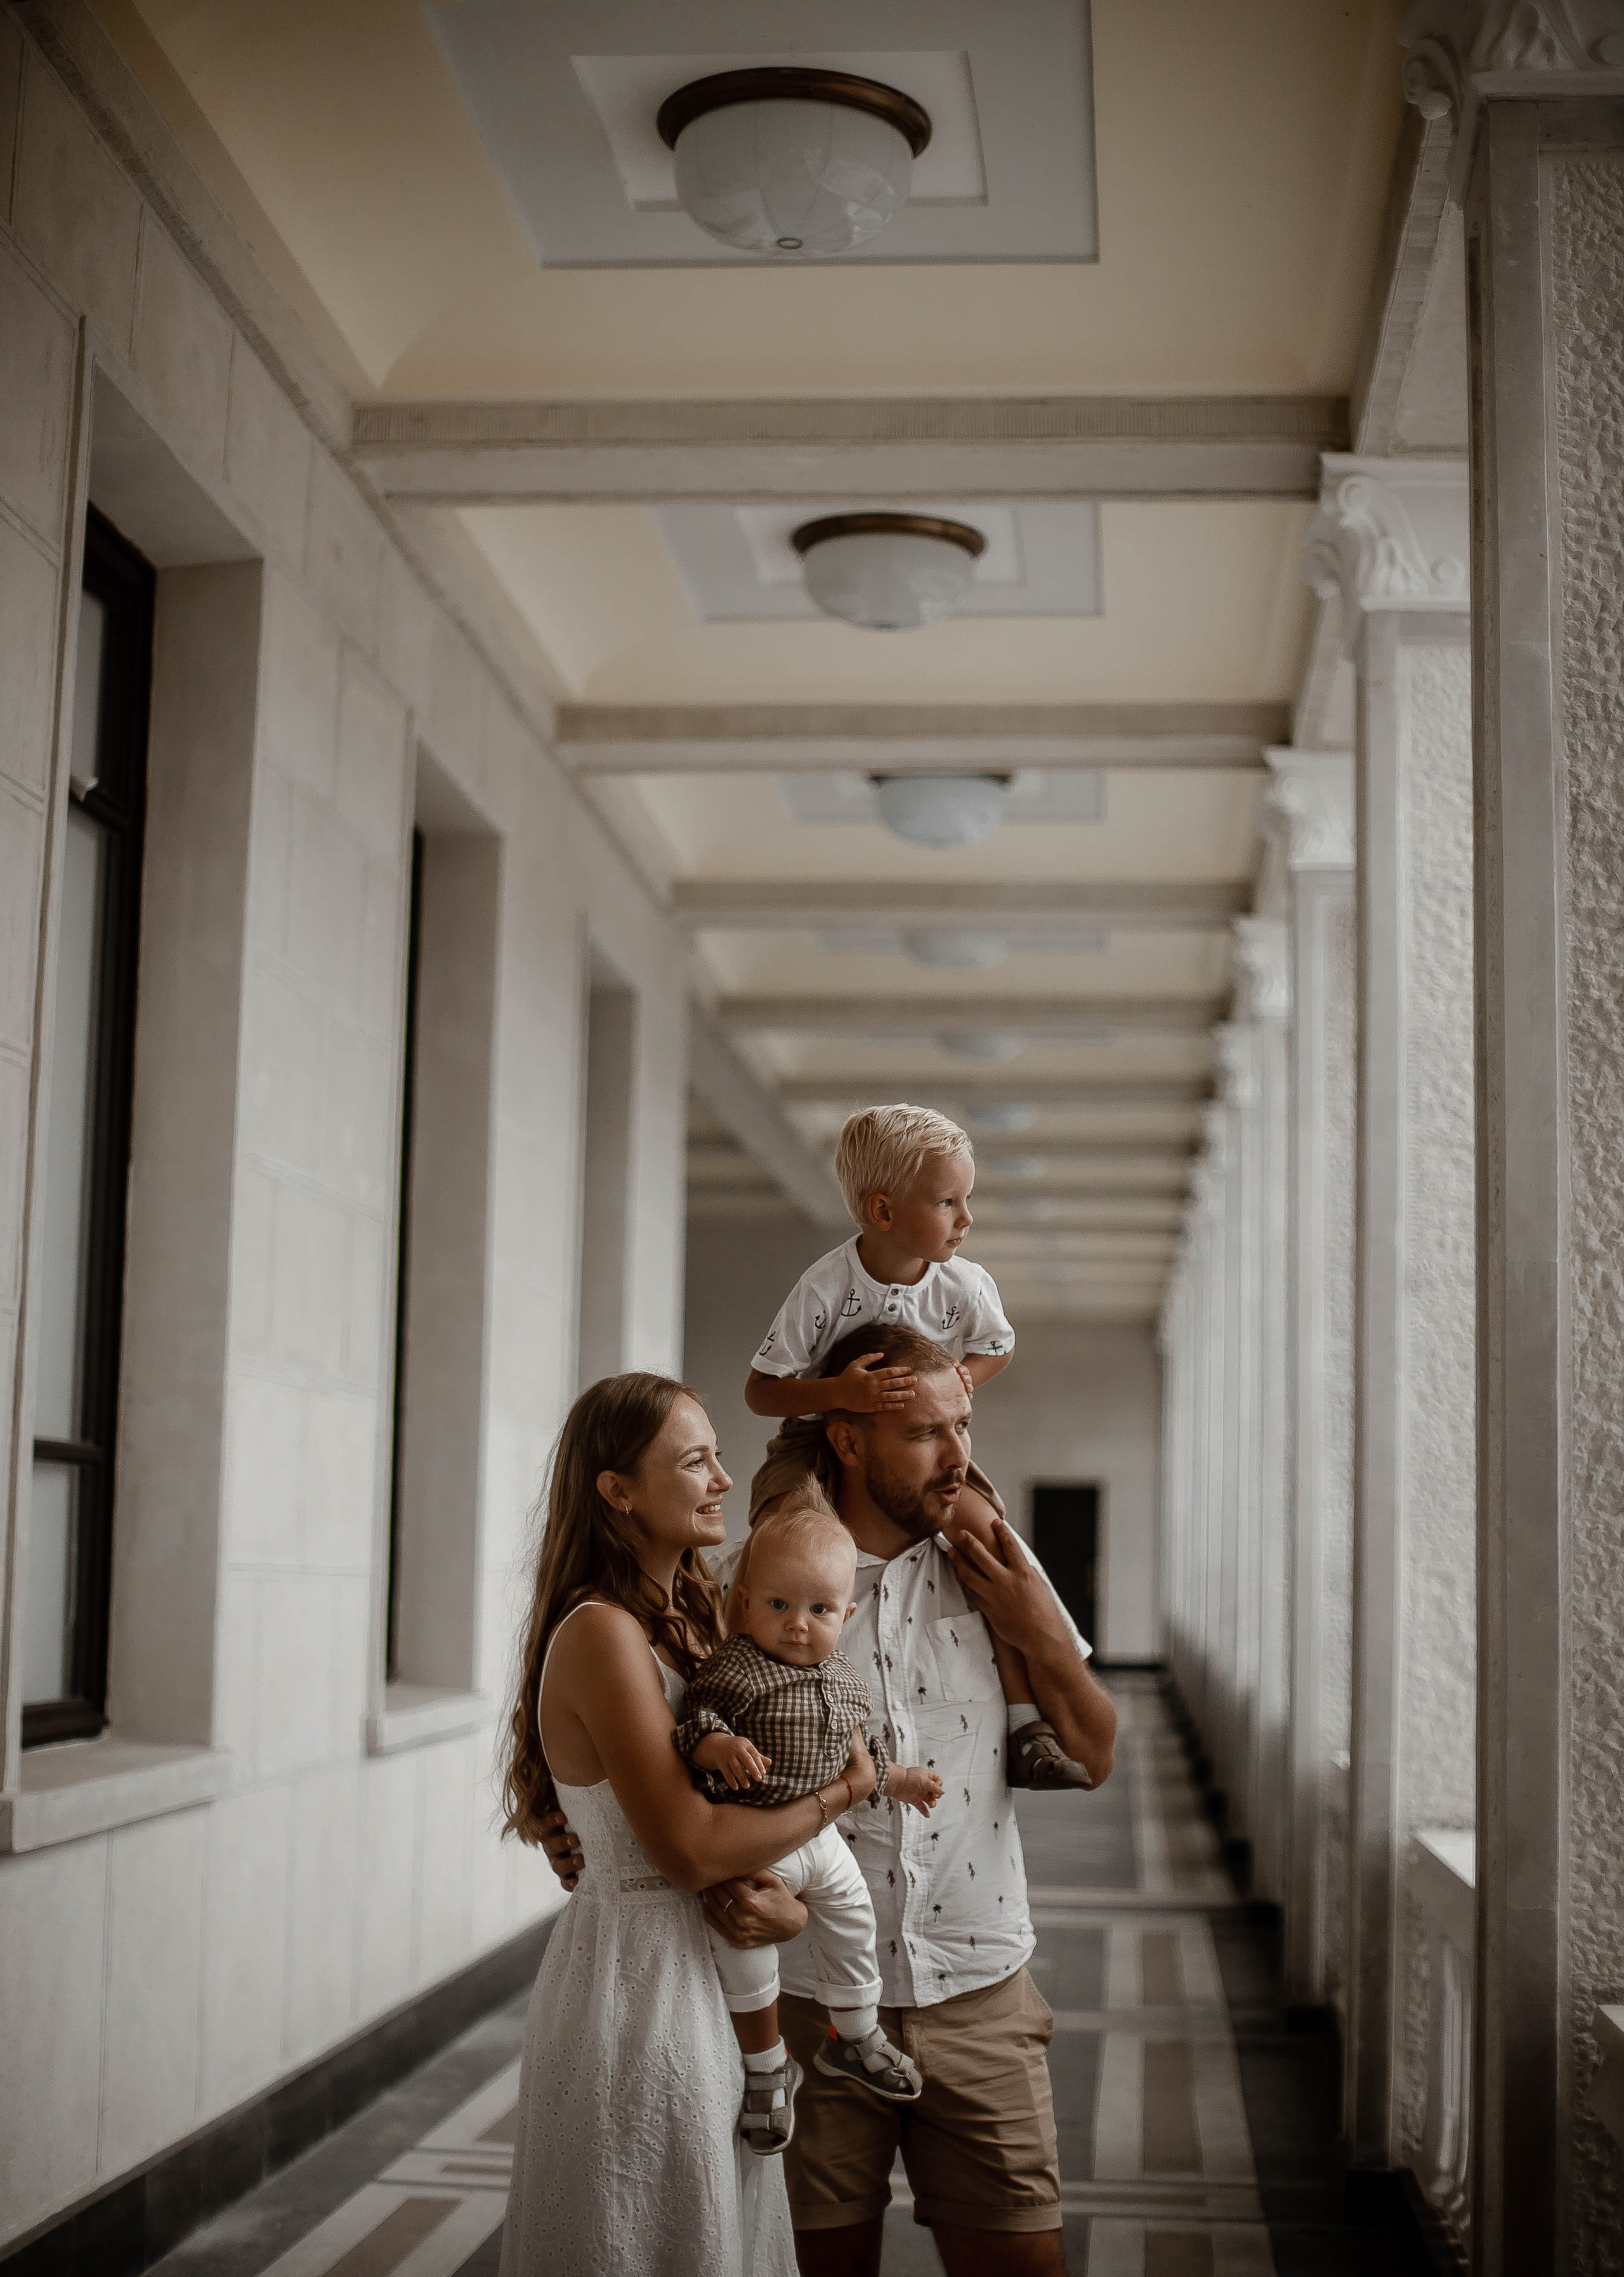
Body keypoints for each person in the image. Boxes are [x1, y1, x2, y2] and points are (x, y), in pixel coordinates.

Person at [540, 1334, 1117, 2274]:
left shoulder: (995, 1565)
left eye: (961, 1427)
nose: (959, 1455)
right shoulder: (746, 1596)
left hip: (981, 1991)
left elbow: (1092, 1754)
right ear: (848, 1442)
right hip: (804, 1999)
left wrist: (1037, 1631)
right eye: (927, 1431)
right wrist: (564, 1825)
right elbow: (659, 1788)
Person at [498, 1372, 876, 2277]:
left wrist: (789, 1910)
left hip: (710, 1980)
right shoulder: (601, 1632)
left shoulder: (706, 1618)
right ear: (618, 1490)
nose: (719, 1478)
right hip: (638, 1996)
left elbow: (738, 1817)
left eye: (716, 1455)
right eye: (695, 1460)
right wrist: (848, 1792)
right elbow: (691, 1848)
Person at [743, 1103, 1087, 1790]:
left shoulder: (964, 1286)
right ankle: (750, 1693)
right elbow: (763, 1389)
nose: (965, 1218)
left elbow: (998, 1346)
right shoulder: (827, 1287)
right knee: (780, 1545)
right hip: (818, 1435)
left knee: (990, 1544)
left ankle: (1027, 1724)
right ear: (883, 1211)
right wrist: (838, 1391)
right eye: (947, 1201)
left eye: (967, 1200)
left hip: (921, 1448)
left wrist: (963, 1380)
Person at [674, 1488, 946, 2150]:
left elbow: (863, 1758)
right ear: (743, 1604)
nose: (799, 1623)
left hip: (821, 1837)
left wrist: (904, 1780)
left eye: (819, 1609)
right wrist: (718, 1745)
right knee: (743, 1943)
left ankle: (854, 2032)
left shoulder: (844, 1678)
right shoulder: (735, 1667)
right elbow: (692, 1722)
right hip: (755, 1840)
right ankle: (766, 2066)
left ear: (845, 1613)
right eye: (778, 1605)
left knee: (854, 1915)